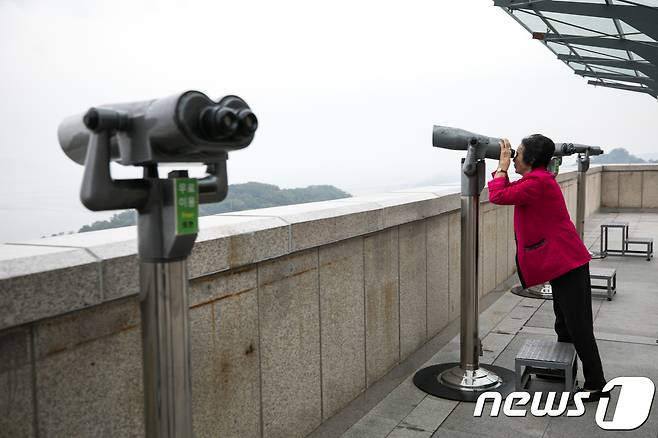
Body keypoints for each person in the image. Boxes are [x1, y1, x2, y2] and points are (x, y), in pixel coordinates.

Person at [487, 134, 607, 401]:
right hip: (562, 262)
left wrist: (502, 167)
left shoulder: (538, 183)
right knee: (564, 323)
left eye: (517, 153)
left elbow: (497, 195)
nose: (514, 157)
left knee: (579, 326)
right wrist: (504, 168)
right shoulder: (536, 180)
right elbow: (507, 192)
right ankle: (561, 371)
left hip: (567, 264)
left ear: (529, 159)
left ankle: (597, 384)